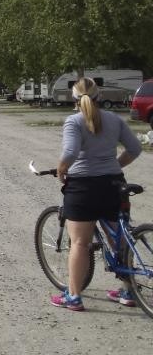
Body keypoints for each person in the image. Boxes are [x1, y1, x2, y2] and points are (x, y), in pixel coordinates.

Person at [50, 77, 143, 311]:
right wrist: (115, 166)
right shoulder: (114, 119)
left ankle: (73, 296)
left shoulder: (73, 121)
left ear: (74, 99)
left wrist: (62, 170)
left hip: (83, 188)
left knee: (80, 243)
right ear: (98, 96)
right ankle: (128, 291)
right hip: (113, 185)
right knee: (118, 238)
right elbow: (135, 148)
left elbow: (70, 152)